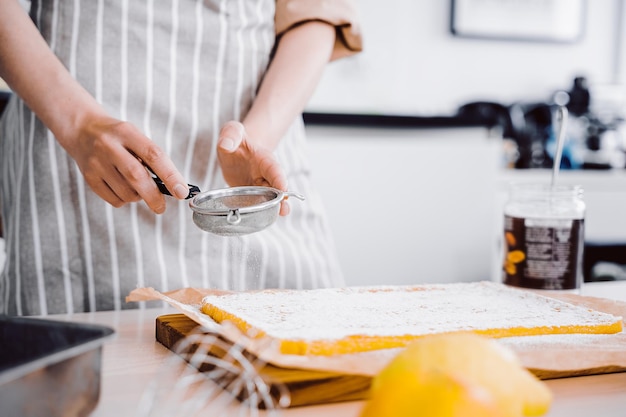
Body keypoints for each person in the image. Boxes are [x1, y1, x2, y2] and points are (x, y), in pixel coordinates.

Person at [0, 0, 362, 316]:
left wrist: (258, 135)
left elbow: (318, 13)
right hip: (72, 145)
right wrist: (78, 123)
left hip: (260, 145)